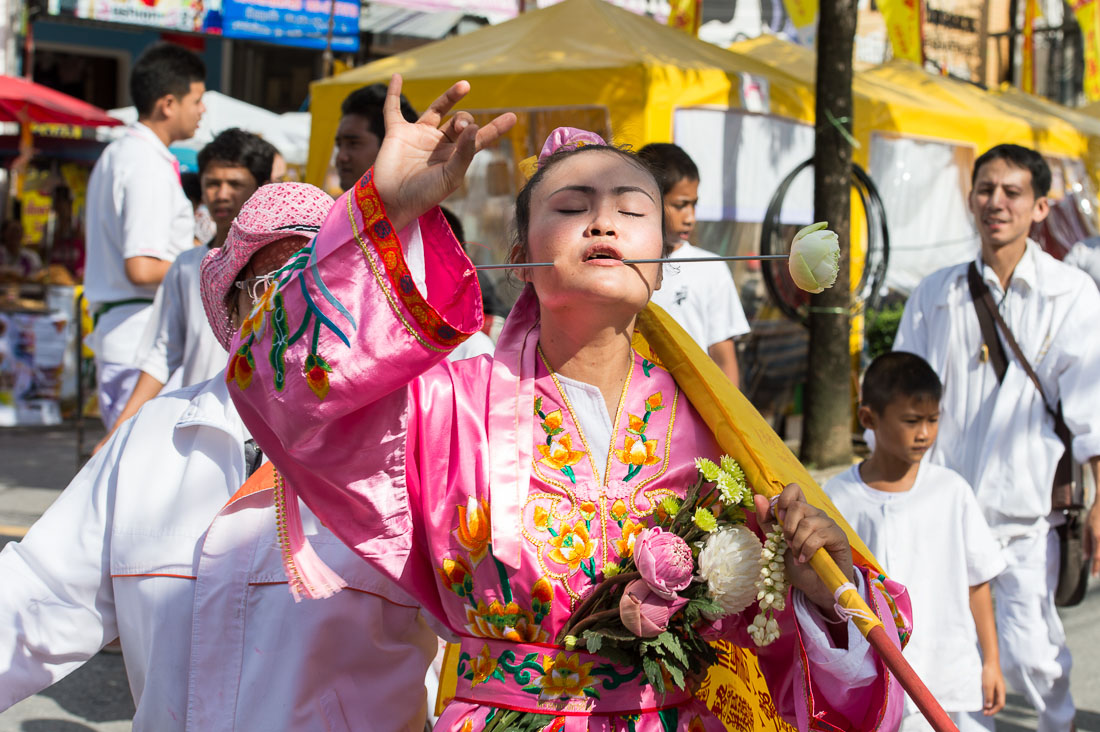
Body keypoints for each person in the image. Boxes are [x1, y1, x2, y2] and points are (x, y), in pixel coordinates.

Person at [227, 76, 907, 731]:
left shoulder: (718, 436)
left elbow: (763, 647)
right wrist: (388, 208)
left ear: (664, 261)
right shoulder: (444, 412)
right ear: (519, 256)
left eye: (632, 209)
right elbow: (280, 388)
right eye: (573, 206)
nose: (604, 218)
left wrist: (823, 596)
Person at [0, 182, 440, 731]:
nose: (298, 307)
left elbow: (495, 627)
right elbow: (38, 596)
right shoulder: (154, 437)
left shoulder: (409, 441)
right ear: (235, 308)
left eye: (319, 280)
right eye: (273, 283)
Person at [894, 143, 1100, 732]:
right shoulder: (936, 294)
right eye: (986, 190)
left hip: (1025, 513)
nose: (996, 203)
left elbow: (1094, 413)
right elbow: (903, 393)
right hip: (944, 507)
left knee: (1035, 652)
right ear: (970, 200)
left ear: (1040, 207)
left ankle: (1059, 725)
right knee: (947, 652)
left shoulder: (1072, 294)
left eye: (1012, 192)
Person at [825, 352, 1007, 732]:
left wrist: (991, 661)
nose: (924, 433)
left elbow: (978, 582)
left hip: (947, 674)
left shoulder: (951, 491)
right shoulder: (837, 497)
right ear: (869, 419)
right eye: (911, 421)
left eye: (932, 420)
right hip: (875, 674)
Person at [99, 129, 277, 445]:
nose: (221, 194)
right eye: (212, 183)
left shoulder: (281, 270)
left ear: (262, 188)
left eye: (234, 184)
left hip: (266, 430)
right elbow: (162, 354)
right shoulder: (185, 267)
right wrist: (119, 430)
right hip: (203, 425)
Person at [83, 42, 206, 428]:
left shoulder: (123, 154)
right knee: (135, 479)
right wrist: (209, 266)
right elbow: (142, 266)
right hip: (139, 344)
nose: (202, 111)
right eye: (197, 99)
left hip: (130, 337)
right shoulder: (144, 164)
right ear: (168, 103)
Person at [638, 143, 749, 387]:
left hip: (692, 409)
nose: (691, 217)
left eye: (693, 204)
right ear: (646, 201)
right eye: (680, 205)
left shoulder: (710, 268)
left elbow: (723, 356)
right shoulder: (623, 268)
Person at [334, 82, 418, 192]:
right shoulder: (331, 208)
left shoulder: (425, 208)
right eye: (339, 145)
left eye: (353, 143)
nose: (341, 157)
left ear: (391, 148)